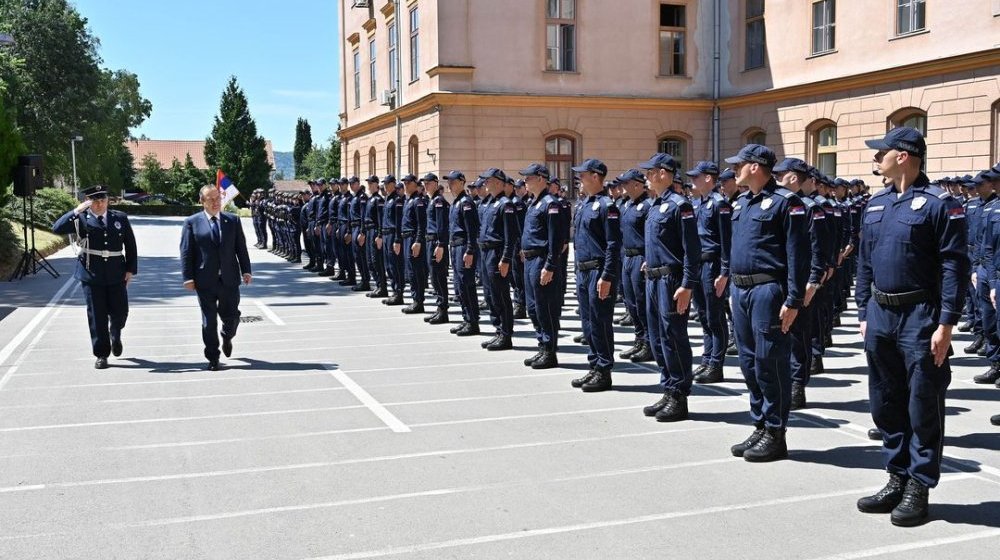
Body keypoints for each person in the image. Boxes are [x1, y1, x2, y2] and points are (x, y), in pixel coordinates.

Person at [855, 127, 968, 527]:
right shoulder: (876, 203)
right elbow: (864, 262)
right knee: (885, 401)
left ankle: (919, 484)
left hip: (921, 315)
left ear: (902, 156)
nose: (875, 158)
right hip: (881, 314)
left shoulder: (940, 204)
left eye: (880, 152)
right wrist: (863, 310)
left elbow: (955, 265)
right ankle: (896, 476)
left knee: (922, 403)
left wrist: (947, 323)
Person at [725, 144, 809, 462]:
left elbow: (797, 255)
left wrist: (793, 299)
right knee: (748, 362)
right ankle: (760, 423)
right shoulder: (741, 203)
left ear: (756, 167)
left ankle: (776, 431)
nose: (735, 170)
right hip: (742, 290)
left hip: (768, 291)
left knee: (770, 361)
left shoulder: (786, 203)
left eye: (740, 165)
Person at [635, 154, 699, 420]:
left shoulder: (679, 205)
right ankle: (668, 388)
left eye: (650, 172)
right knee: (659, 337)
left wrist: (687, 284)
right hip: (653, 277)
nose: (646, 177)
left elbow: (691, 250)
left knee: (673, 337)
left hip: (671, 281)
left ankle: (680, 395)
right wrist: (651, 260)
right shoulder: (655, 204)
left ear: (662, 173)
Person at [52, 185, 137, 369]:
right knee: (97, 315)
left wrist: (130, 269)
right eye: (95, 201)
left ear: (108, 200)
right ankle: (101, 354)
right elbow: (56, 228)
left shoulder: (119, 218)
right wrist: (76, 211)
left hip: (116, 272)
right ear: (88, 201)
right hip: (91, 272)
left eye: (102, 200)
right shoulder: (81, 218)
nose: (99, 204)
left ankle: (115, 331)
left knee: (121, 312)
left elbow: (130, 244)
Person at [180, 185, 253, 371]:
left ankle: (227, 335)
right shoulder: (192, 222)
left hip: (229, 279)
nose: (215, 202)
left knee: (232, 317)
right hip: (204, 280)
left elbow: (241, 248)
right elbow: (186, 252)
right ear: (202, 201)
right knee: (208, 320)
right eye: (210, 199)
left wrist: (246, 270)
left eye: (217, 198)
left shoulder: (233, 220)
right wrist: (187, 277)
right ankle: (213, 357)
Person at [570, 158, 622, 392]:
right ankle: (594, 365)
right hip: (583, 270)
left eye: (583, 174)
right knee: (588, 321)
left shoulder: (607, 206)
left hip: (598, 271)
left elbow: (613, 244)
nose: (579, 179)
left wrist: (607, 275)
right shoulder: (583, 205)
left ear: (595, 176)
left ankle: (604, 369)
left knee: (600, 321)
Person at [686, 160, 732, 385]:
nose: (692, 180)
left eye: (697, 176)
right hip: (698, 264)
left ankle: (716, 363)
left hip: (713, 265)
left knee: (715, 317)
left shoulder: (719, 203)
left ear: (708, 178)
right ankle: (706, 358)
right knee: (703, 316)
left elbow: (726, 241)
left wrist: (724, 272)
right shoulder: (697, 204)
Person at [518, 163, 566, 369]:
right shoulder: (533, 203)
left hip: (541, 260)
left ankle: (549, 350)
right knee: (532, 307)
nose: (525, 182)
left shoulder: (551, 204)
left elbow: (556, 240)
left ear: (540, 178)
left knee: (545, 307)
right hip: (529, 260)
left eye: (528, 178)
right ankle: (542, 346)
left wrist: (550, 265)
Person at [477, 168, 517, 350]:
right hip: (485, 253)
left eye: (489, 180)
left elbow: (511, 236)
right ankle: (498, 330)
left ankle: (506, 334)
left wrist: (506, 258)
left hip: (497, 253)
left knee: (500, 294)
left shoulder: (505, 204)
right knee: (490, 294)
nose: (485, 183)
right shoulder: (488, 204)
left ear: (500, 183)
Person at [617, 169, 653, 363]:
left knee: (641, 302)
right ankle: (639, 339)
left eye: (626, 183)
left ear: (638, 184)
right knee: (630, 302)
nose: (623, 186)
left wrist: (649, 257)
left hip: (640, 258)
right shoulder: (626, 205)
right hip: (627, 257)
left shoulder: (647, 206)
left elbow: (650, 236)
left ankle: (648, 342)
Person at [445, 170, 482, 336]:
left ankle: (473, 321)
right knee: (459, 286)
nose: (450, 185)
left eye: (453, 181)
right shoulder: (455, 202)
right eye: (449, 182)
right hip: (455, 247)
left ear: (462, 182)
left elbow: (471, 230)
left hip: (463, 248)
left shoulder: (466, 203)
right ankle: (466, 318)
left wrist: (470, 250)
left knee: (466, 285)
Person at [399, 174, 428, 313]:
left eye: (408, 182)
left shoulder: (418, 201)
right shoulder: (408, 200)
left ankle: (418, 301)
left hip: (413, 239)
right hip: (406, 238)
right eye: (404, 182)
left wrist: (418, 241)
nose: (405, 185)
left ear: (414, 184)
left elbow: (421, 225)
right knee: (410, 271)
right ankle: (415, 299)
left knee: (416, 271)